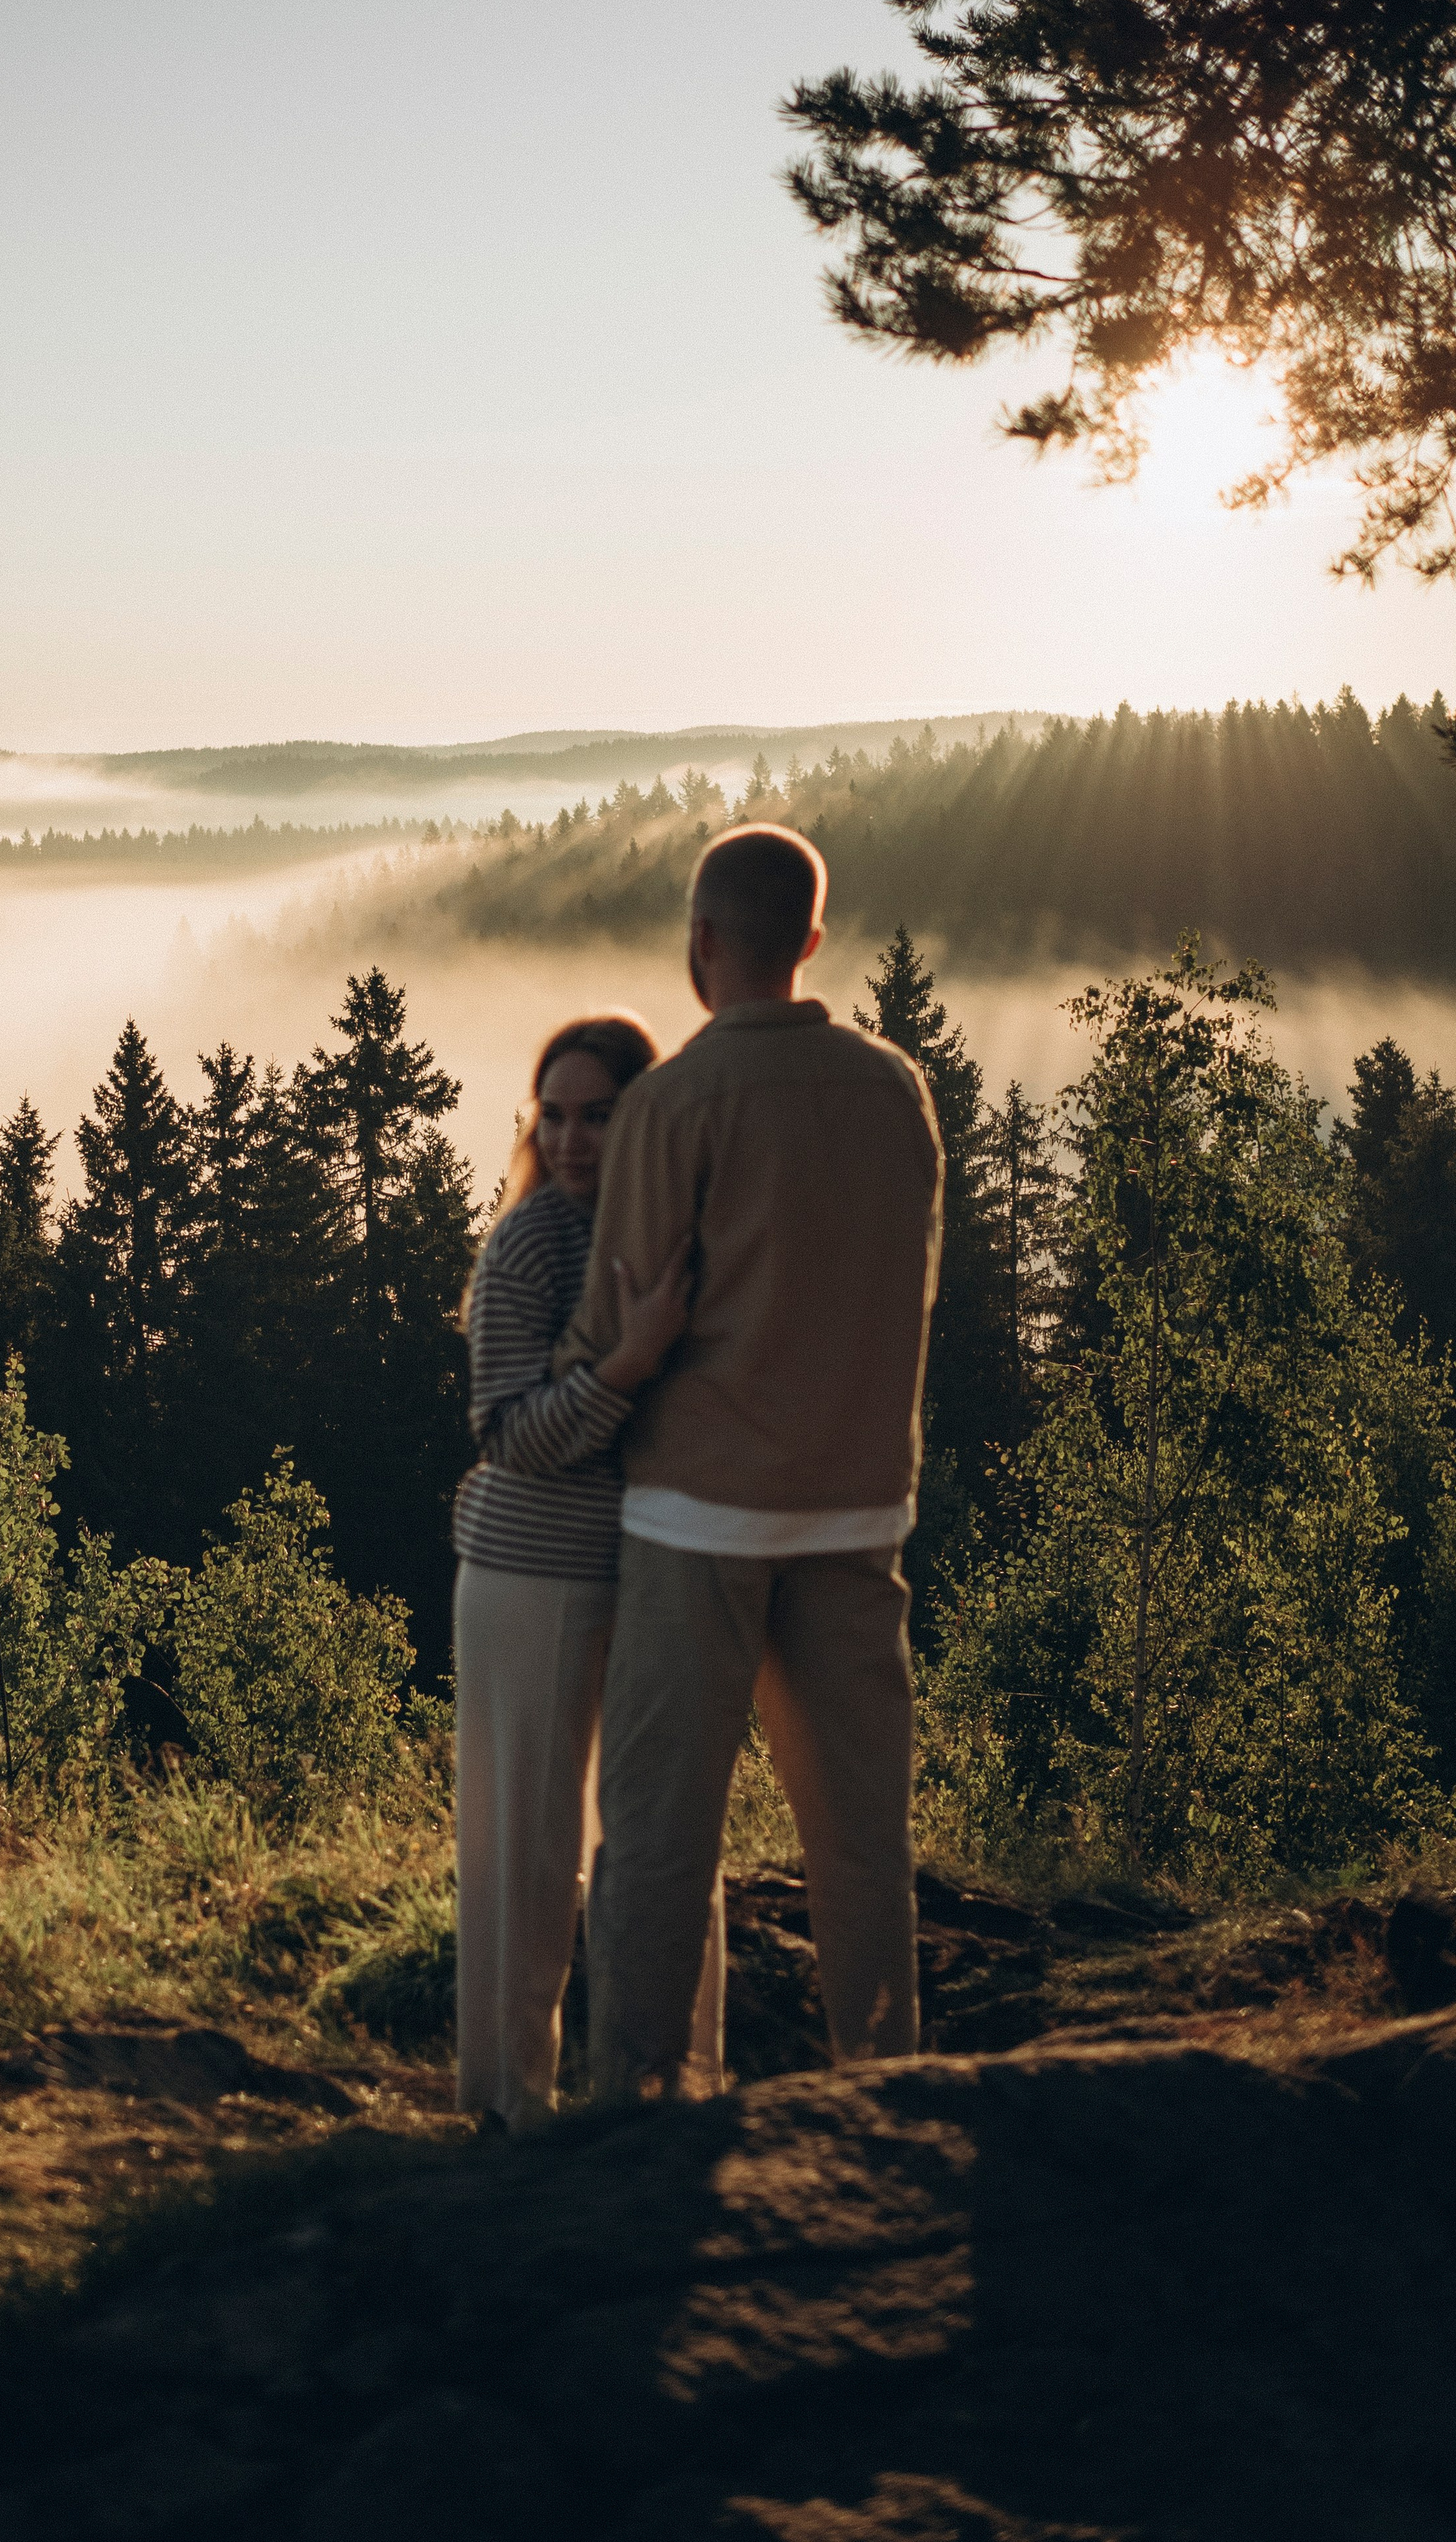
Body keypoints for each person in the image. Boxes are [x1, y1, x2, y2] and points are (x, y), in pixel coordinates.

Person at [555, 825, 942, 2100]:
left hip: (699, 1514)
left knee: (662, 1838)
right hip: (852, 1506)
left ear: (702, 943)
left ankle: (633, 2099)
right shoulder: (895, 1092)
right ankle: (881, 2082)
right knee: (861, 1843)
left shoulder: (675, 1103)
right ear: (813, 942)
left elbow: (619, 1322)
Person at [450, 1013, 706, 2133]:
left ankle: (671, 2088)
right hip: (530, 1578)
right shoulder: (533, 1241)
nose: (570, 1138)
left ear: (641, 1115)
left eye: (597, 1113)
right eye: (552, 1113)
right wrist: (631, 1363)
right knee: (528, 1857)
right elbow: (507, 1432)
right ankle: (511, 2112)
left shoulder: (672, 1233)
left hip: (652, 1570)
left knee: (658, 1839)